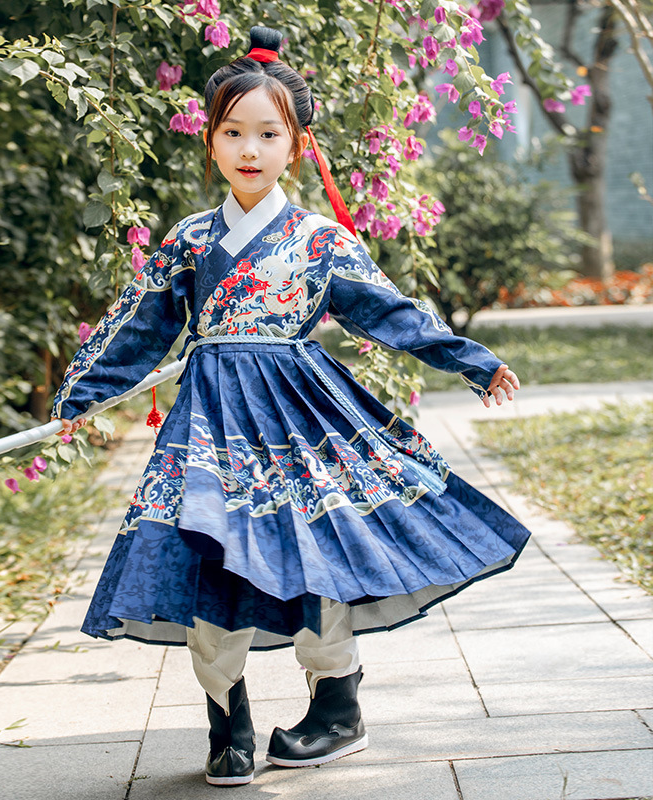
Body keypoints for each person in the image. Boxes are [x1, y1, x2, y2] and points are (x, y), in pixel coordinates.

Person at [52, 26, 529, 787]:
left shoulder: (318, 239)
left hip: (300, 420)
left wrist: (470, 360)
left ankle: (337, 708)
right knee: (210, 553)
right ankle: (226, 720)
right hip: (211, 423)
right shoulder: (188, 240)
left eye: (267, 133)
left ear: (297, 144)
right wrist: (83, 393)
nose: (250, 149)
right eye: (233, 132)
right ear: (210, 142)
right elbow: (139, 324)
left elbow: (389, 310)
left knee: (316, 557)